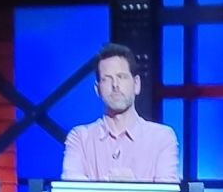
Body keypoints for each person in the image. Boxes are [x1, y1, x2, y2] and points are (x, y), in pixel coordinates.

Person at [61, 42, 181, 181]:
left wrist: (134, 187)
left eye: (121, 77)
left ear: (136, 84)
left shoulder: (162, 138)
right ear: (98, 89)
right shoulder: (80, 138)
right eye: (107, 79)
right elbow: (72, 185)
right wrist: (111, 185)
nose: (115, 85)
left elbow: (167, 191)